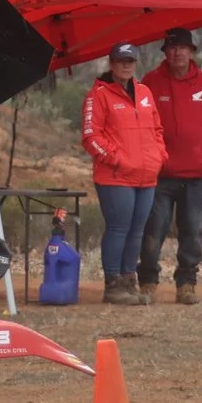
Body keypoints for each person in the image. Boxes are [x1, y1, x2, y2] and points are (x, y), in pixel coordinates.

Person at [137, 27, 202, 306]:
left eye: (182, 48)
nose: (177, 52)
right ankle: (148, 282)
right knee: (154, 227)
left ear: (192, 52)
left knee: (192, 230)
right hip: (161, 176)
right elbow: (139, 120)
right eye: (172, 48)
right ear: (165, 52)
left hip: (196, 176)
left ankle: (186, 284)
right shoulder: (151, 82)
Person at [80, 43, 165, 306]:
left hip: (146, 175)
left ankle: (130, 282)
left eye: (131, 61)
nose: (127, 65)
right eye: (121, 61)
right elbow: (90, 136)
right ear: (112, 63)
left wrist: (159, 156)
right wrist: (116, 159)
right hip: (115, 177)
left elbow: (157, 129)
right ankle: (113, 284)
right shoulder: (99, 95)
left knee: (137, 230)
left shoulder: (145, 92)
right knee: (119, 228)